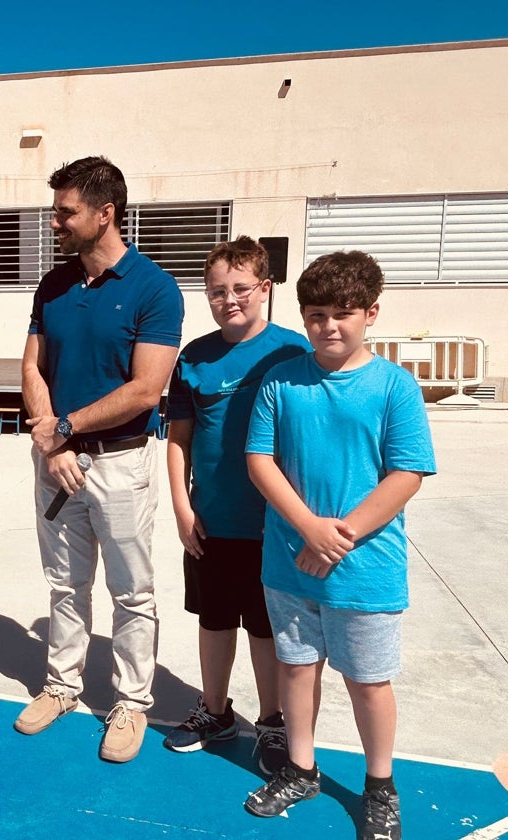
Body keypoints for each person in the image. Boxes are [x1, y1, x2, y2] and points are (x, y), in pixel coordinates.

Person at [242, 251, 434, 840]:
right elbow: (259, 460)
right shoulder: (281, 380)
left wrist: (337, 535)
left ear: (371, 313)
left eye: (344, 313)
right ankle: (301, 769)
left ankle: (380, 786)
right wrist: (309, 529)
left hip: (364, 570)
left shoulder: (394, 387)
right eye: (316, 314)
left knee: (368, 681)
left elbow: (406, 475)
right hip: (289, 563)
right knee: (296, 669)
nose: (329, 325)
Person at [17, 156, 182, 763]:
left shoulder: (154, 288)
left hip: (120, 464)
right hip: (55, 462)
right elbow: (32, 367)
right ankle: (62, 685)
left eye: (66, 212)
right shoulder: (53, 284)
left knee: (131, 591)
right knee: (64, 583)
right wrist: (55, 443)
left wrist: (64, 428)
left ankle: (131, 702)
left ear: (104, 213)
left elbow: (146, 388)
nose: (56, 222)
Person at [161, 236, 310, 774]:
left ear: (265, 288)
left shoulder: (293, 353)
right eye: (217, 291)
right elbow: (179, 439)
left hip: (275, 526)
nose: (230, 300)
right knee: (215, 620)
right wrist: (182, 506)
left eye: (241, 288)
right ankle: (216, 711)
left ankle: (272, 721)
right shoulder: (194, 356)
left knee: (267, 629)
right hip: (212, 520)